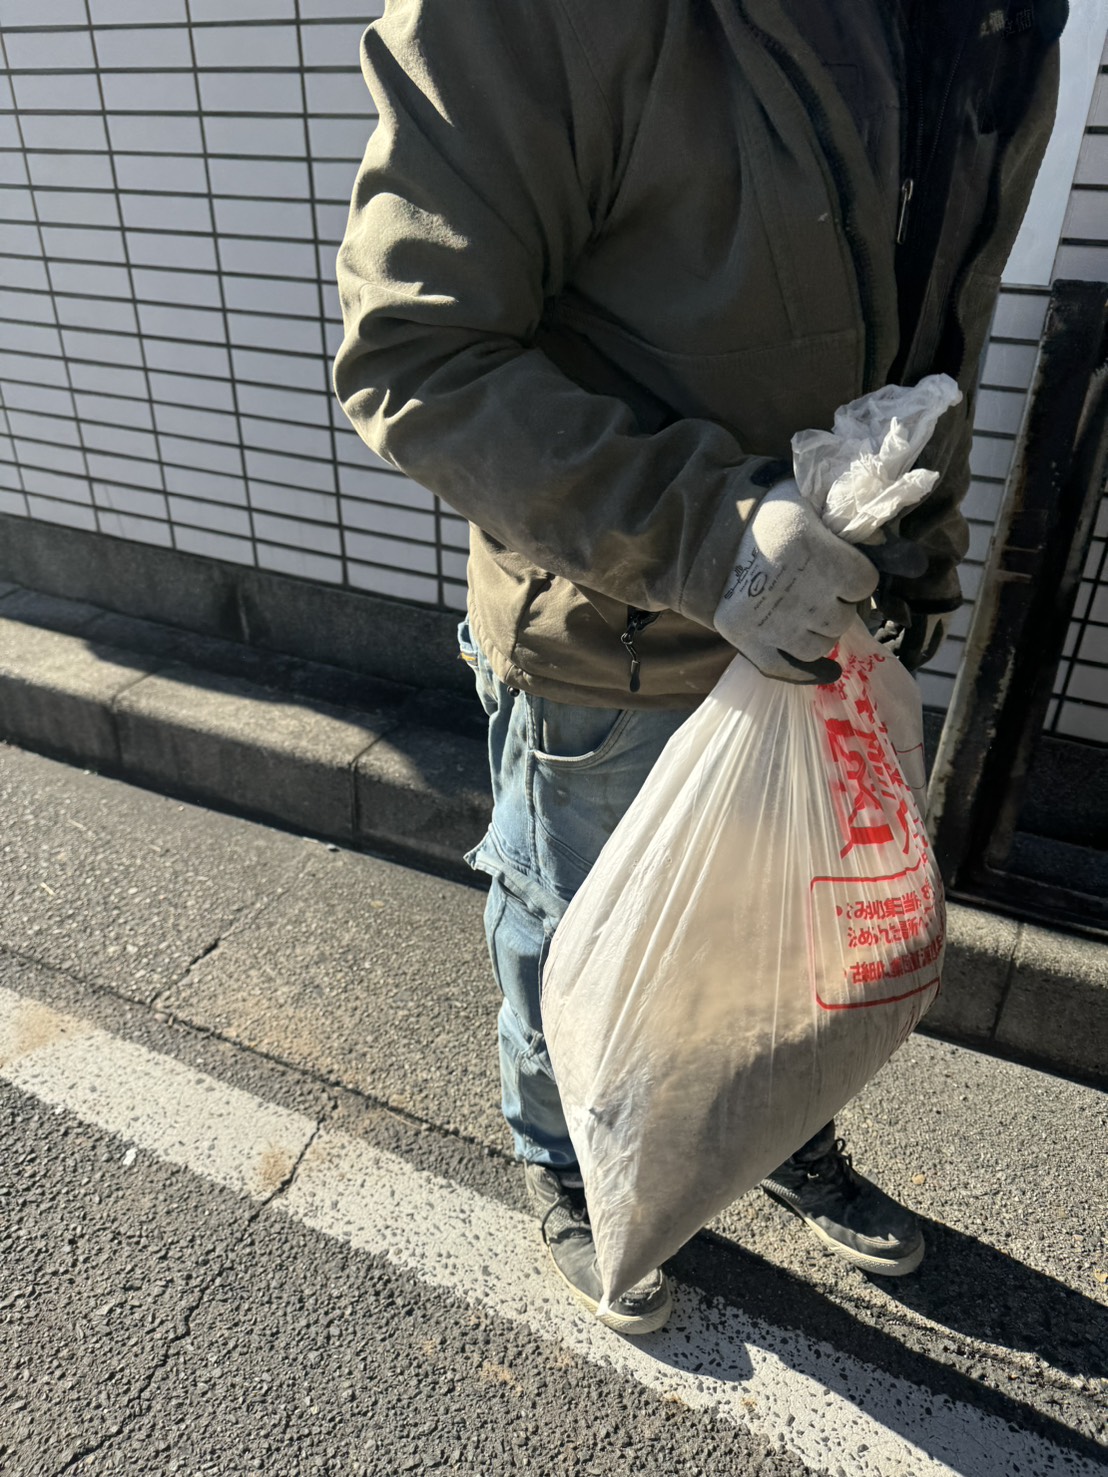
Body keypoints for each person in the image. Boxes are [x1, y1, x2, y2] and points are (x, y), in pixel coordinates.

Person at [335, 0, 1064, 1335]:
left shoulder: (997, 18)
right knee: (573, 924)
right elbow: (414, 350)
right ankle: (568, 1154)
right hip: (609, 631)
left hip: (832, 623)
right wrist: (710, 535)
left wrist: (921, 559)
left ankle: (773, 1130)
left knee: (789, 930)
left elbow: (937, 331)